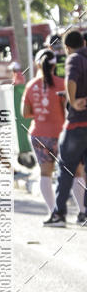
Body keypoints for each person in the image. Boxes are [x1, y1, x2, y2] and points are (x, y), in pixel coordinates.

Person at [21, 50, 80, 217]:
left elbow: (25, 113)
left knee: (45, 173)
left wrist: (41, 113)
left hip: (39, 134)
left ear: (38, 64)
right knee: (76, 172)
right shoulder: (63, 83)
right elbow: (69, 109)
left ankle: (54, 212)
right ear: (55, 65)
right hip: (62, 134)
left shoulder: (31, 85)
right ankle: (82, 212)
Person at [44, 29, 87, 226]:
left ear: (68, 47)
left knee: (66, 169)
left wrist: (73, 100)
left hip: (77, 124)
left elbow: (71, 80)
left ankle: (59, 214)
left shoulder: (74, 59)